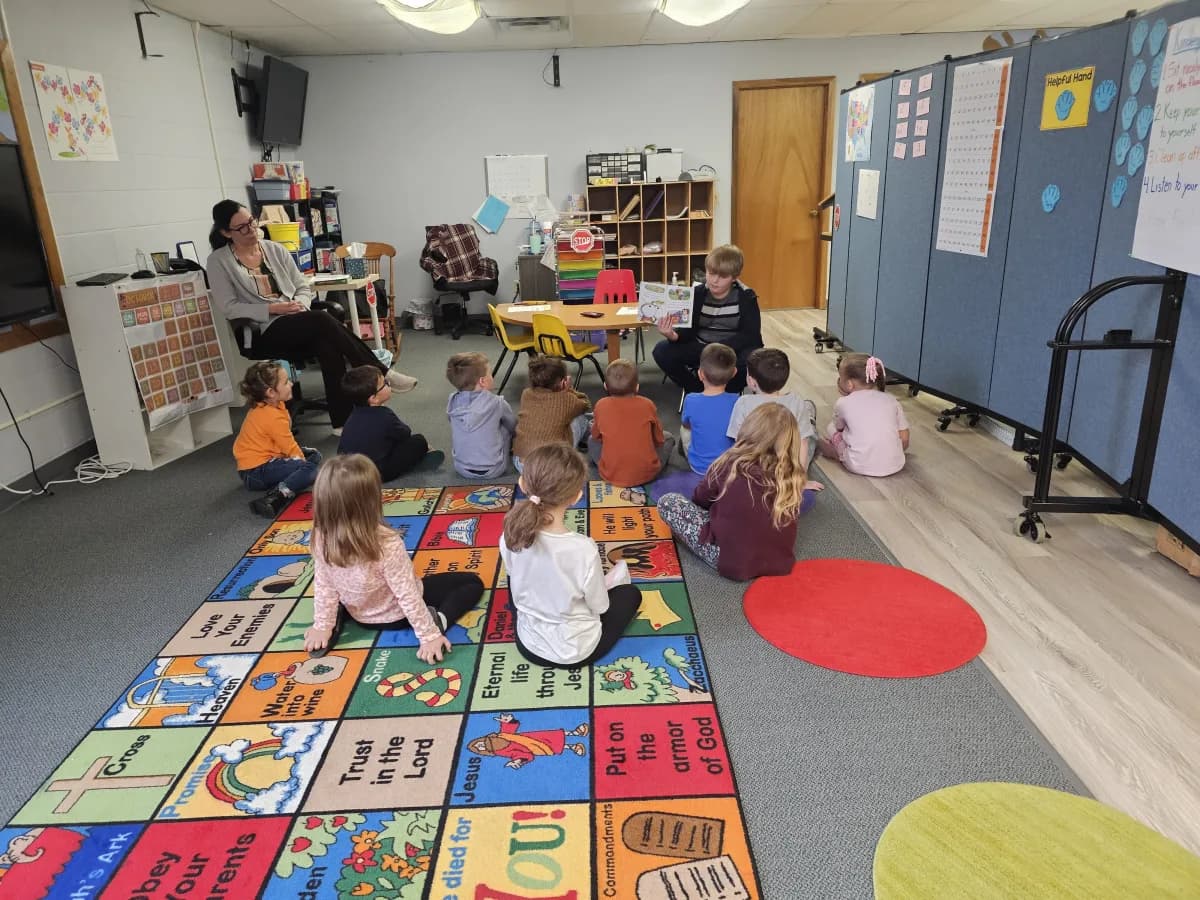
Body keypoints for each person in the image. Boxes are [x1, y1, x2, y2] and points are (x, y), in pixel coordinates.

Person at [205, 200, 417, 433]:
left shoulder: (274, 249)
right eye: (242, 227)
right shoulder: (219, 262)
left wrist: (300, 306)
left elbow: (302, 287)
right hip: (264, 330)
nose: (251, 229)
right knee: (322, 320)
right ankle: (381, 372)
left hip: (298, 319)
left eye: (251, 222)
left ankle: (342, 422)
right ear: (226, 232)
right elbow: (229, 307)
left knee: (326, 342)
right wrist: (273, 309)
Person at [303, 454, 484, 661]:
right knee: (471, 582)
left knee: (339, 592)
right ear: (371, 501)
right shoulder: (387, 543)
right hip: (395, 617)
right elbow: (406, 594)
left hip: (358, 613)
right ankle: (439, 620)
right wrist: (429, 636)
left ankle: (334, 621)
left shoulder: (320, 536)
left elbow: (324, 584)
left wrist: (322, 626)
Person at [500, 443, 641, 668]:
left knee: (513, 572)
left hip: (527, 644)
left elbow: (513, 574)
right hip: (575, 652)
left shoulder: (511, 532)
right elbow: (600, 607)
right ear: (577, 497)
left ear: (522, 484)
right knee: (630, 594)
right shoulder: (583, 549)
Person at [658, 403, 807, 581]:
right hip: (778, 562)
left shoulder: (731, 463)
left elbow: (700, 498)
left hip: (732, 561)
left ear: (749, 429)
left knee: (668, 502)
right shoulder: (792, 474)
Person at [652, 244, 762, 395]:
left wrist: (719, 348)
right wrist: (673, 335)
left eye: (722, 276)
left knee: (752, 361)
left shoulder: (746, 297)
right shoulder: (697, 293)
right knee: (662, 351)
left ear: (734, 277)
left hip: (732, 349)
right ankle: (697, 389)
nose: (714, 280)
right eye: (711, 273)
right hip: (701, 347)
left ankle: (726, 394)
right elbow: (689, 330)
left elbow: (750, 335)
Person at [233, 361, 321, 518]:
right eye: (286, 382)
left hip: (266, 461)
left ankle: (289, 479)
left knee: (315, 455)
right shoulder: (271, 417)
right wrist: (302, 466)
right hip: (255, 472)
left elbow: (284, 443)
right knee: (310, 469)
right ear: (270, 392)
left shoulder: (273, 404)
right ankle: (276, 496)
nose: (291, 383)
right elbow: (288, 445)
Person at [337, 365, 442, 481]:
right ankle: (423, 453)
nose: (388, 384)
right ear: (373, 398)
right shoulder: (385, 415)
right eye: (385, 384)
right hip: (377, 474)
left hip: (348, 470)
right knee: (418, 440)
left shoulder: (352, 416)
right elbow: (405, 433)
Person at [818, 353, 910, 477]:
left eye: (840, 377)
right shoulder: (892, 400)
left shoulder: (843, 403)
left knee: (831, 427)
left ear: (849, 384)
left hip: (858, 464)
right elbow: (905, 439)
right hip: (896, 463)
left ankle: (835, 453)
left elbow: (839, 428)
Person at [588, 358, 675, 487]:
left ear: (605, 386)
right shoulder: (647, 404)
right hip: (648, 474)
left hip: (610, 474)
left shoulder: (601, 405)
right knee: (670, 437)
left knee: (590, 440)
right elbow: (660, 439)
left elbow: (595, 436)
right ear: (637, 387)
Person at [726, 348, 818, 465]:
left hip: (755, 466)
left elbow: (737, 442)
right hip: (787, 468)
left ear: (751, 381)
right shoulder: (796, 402)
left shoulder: (743, 403)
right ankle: (811, 420)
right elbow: (803, 443)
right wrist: (801, 479)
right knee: (811, 435)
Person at [511, 355, 591, 474]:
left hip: (522, 465)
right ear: (563, 382)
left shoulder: (526, 394)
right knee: (581, 418)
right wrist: (569, 389)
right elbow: (586, 405)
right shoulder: (567, 399)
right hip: (552, 468)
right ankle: (585, 442)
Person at [446, 351, 517, 479]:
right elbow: (514, 427)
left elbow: (451, 421)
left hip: (461, 468)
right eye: (490, 374)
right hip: (494, 469)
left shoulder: (452, 400)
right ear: (483, 381)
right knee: (506, 426)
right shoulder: (497, 402)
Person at [681, 342, 739, 475]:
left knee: (685, 428)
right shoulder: (738, 401)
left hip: (699, 467)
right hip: (728, 469)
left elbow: (686, 425)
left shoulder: (691, 399)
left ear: (700, 374)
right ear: (734, 373)